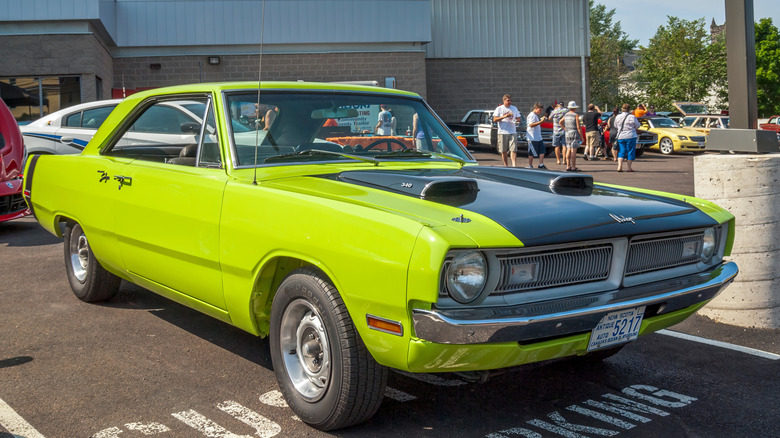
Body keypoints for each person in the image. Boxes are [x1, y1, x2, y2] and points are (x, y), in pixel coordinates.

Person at [493, 94, 521, 167]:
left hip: (512, 131)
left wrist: (516, 120)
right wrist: (504, 116)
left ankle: (514, 165)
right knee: (503, 150)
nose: (509, 102)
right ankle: (506, 165)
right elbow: (495, 119)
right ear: (504, 101)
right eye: (508, 100)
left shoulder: (514, 108)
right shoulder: (499, 109)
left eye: (510, 100)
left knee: (513, 149)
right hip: (503, 132)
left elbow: (518, 118)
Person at [614, 103, 640, 172]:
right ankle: (629, 168)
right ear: (629, 109)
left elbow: (615, 126)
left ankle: (619, 166)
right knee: (630, 151)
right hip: (631, 135)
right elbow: (637, 125)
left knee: (622, 151)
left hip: (621, 136)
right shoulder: (632, 117)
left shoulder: (618, 116)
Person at [526, 102, 548, 169]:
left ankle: (541, 164)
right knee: (531, 152)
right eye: (540, 110)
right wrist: (541, 122)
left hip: (538, 137)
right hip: (532, 137)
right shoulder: (532, 115)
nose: (540, 112)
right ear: (536, 108)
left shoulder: (535, 115)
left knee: (542, 150)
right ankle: (530, 165)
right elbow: (531, 124)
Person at [561, 101, 582, 171]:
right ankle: (573, 166)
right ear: (575, 108)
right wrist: (581, 136)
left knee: (568, 149)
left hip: (567, 133)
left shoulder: (566, 115)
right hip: (574, 132)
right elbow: (578, 127)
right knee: (574, 150)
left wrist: (565, 128)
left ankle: (568, 166)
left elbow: (560, 122)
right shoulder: (576, 115)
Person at [549, 101, 567, 165]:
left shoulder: (554, 111)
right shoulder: (566, 110)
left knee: (557, 146)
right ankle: (564, 160)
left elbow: (549, 118)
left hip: (556, 130)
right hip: (564, 130)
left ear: (558, 105)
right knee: (564, 145)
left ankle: (558, 160)